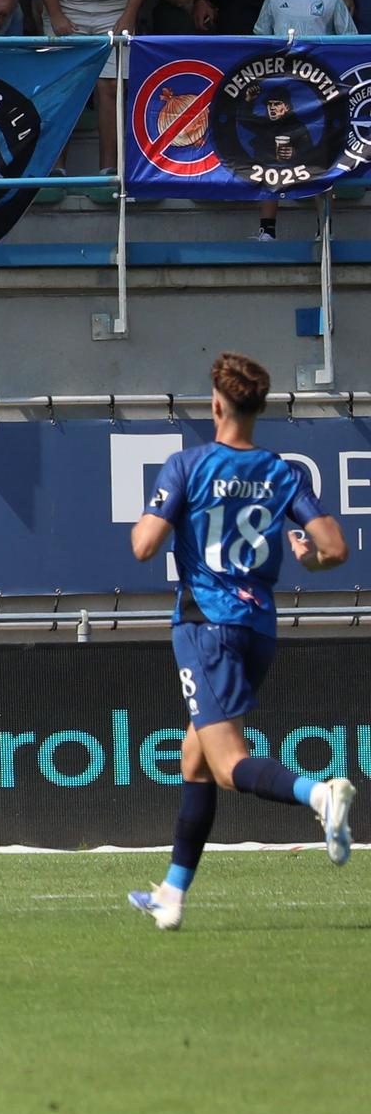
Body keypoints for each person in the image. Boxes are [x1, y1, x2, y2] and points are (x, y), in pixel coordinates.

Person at [124, 351, 357, 931]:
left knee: (228, 764)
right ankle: (172, 894)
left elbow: (143, 547)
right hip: (258, 628)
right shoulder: (282, 471)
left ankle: (319, 795)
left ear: (217, 404)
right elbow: (334, 549)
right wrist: (306, 556)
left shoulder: (188, 466)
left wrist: (164, 513)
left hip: (206, 627)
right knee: (195, 757)